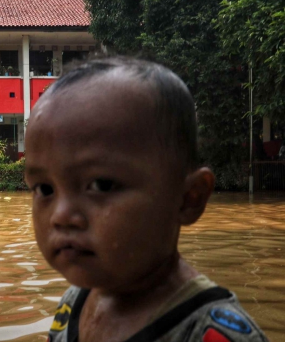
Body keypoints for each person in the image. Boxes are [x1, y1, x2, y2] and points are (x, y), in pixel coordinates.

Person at [24, 57, 268, 342]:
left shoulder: (212, 334)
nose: (61, 215)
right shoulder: (72, 303)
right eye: (44, 189)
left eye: (101, 185)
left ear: (189, 198)